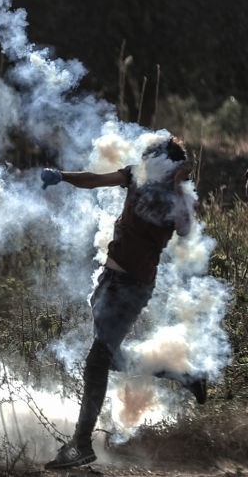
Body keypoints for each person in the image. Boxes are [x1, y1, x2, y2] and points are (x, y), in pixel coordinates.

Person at [40, 135, 206, 469]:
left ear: (170, 164)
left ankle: (80, 445)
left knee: (97, 361)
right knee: (110, 358)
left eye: (155, 159)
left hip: (134, 285)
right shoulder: (135, 175)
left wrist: (176, 184)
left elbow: (186, 230)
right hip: (109, 280)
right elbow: (94, 180)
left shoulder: (180, 195)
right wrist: (62, 175)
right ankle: (182, 374)